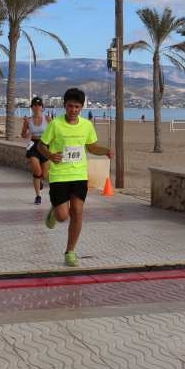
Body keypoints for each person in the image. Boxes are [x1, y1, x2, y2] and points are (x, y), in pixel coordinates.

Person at [39, 88, 112, 267]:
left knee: (77, 212)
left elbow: (91, 147)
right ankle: (55, 211)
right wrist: (50, 155)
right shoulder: (55, 124)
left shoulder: (87, 125)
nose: (73, 110)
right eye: (70, 106)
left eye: (77, 107)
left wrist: (106, 151)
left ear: (81, 107)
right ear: (64, 106)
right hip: (59, 175)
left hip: (79, 175)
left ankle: (70, 251)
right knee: (63, 216)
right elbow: (41, 145)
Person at [22, 96, 50, 204]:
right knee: (37, 171)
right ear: (32, 107)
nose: (37, 107)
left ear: (42, 107)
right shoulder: (28, 120)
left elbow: (54, 133)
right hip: (33, 145)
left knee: (44, 174)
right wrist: (28, 132)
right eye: (35, 105)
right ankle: (38, 196)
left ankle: (40, 181)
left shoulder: (47, 119)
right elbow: (23, 135)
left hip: (45, 145)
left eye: (39, 105)